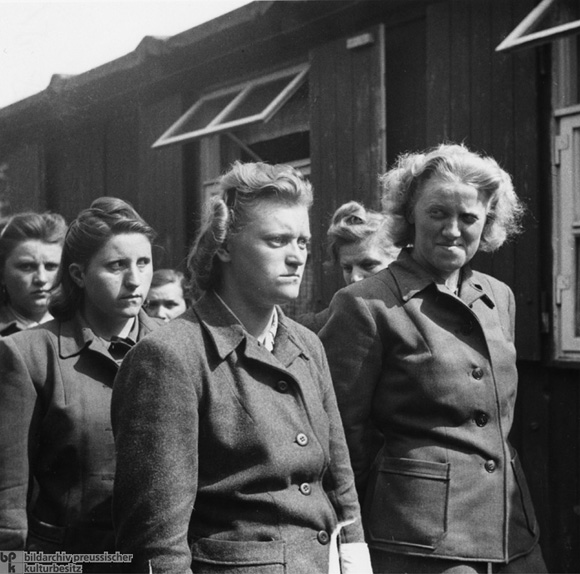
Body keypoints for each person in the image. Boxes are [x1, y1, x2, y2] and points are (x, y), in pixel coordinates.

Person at [111, 161, 372, 574]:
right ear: (226, 246)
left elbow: (340, 482)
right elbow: (156, 540)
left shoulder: (307, 345)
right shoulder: (170, 355)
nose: (296, 258)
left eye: (302, 242)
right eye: (277, 240)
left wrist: (355, 561)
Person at [320, 143, 547, 573]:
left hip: (512, 535)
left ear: (488, 222)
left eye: (469, 218)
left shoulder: (499, 298)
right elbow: (342, 437)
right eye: (438, 213)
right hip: (419, 543)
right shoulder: (366, 303)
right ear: (410, 215)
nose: (453, 230)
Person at [0, 197, 159, 565]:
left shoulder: (177, 348)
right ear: (77, 274)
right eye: (116, 266)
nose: (135, 280)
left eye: (144, 263)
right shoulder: (27, 354)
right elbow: (8, 502)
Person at [298, 201, 398, 332]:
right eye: (347, 268)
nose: (355, 278)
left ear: (398, 261)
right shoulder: (332, 321)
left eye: (368, 265)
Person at [0, 211, 67, 336]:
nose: (41, 279)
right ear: (2, 273)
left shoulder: (83, 329)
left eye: (51, 266)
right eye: (26, 267)